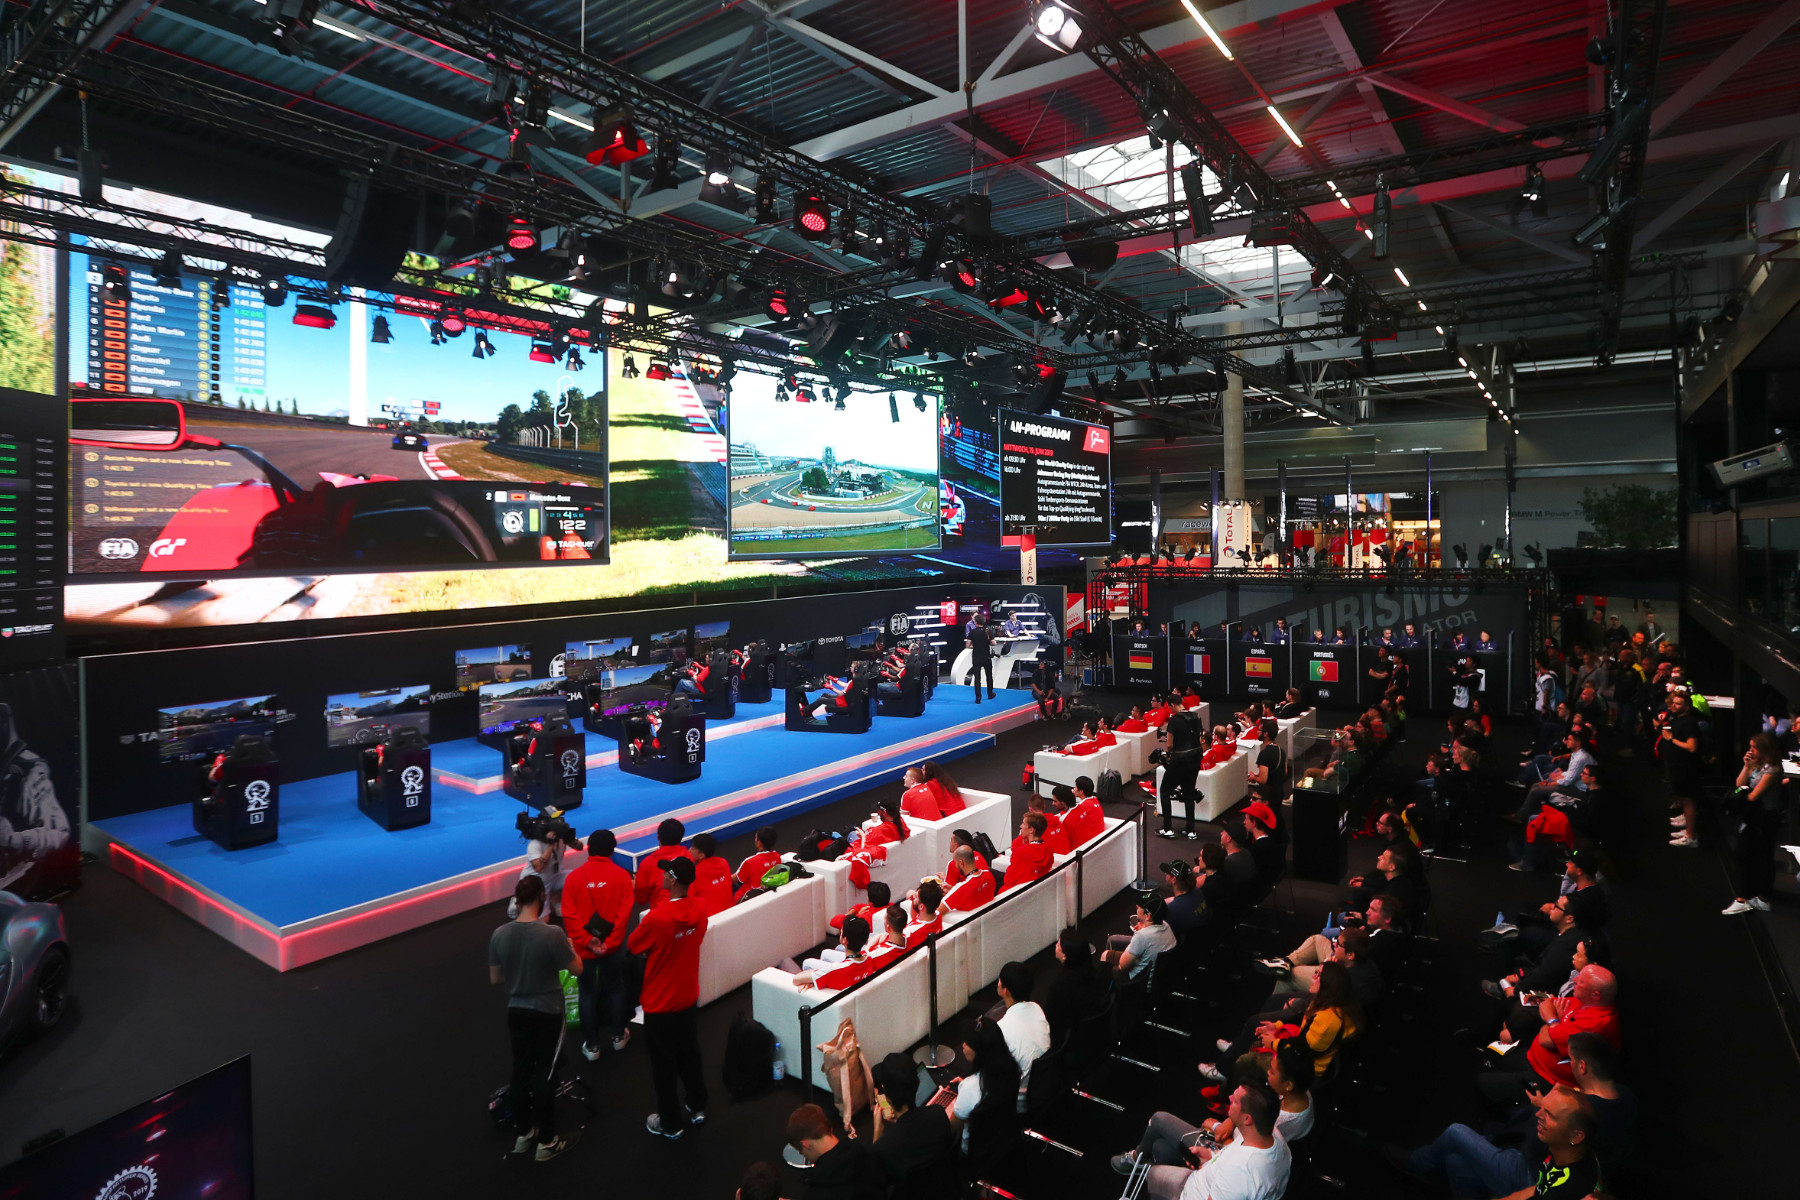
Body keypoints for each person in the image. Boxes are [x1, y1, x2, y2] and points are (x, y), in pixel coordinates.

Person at [488, 874, 581, 1162]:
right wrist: (570, 948)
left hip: (516, 1011)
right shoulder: (551, 934)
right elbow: (577, 969)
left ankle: (524, 1133)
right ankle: (547, 1141)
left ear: (517, 900)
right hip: (547, 1011)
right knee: (545, 1074)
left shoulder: (499, 934)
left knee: (521, 1071)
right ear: (542, 896)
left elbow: (495, 978)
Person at [1389, 1080, 1598, 1199]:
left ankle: (1416, 1163)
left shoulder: (1568, 1188)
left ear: (1576, 1136)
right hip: (1529, 1173)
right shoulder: (1566, 1151)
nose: (1538, 1115)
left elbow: (1539, 1190)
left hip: (1525, 1174)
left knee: (1456, 1132)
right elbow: (1537, 1188)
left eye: (1550, 1115)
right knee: (1456, 1163)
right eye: (1542, 1109)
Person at [628, 854, 710, 1138]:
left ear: (673, 881)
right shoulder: (700, 908)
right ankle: (697, 1106)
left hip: (660, 1003)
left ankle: (671, 1123)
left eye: (666, 874)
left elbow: (634, 944)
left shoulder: (657, 917)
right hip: (687, 997)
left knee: (663, 1065)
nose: (662, 876)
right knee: (690, 1054)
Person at [1111, 1083, 1291, 1200]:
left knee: (1152, 1173)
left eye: (1235, 1101)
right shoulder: (1272, 1136)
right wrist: (1211, 1156)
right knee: (1159, 1148)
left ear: (1247, 1119)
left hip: (1190, 1191)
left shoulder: (1239, 1173)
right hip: (1208, 1176)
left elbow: (1236, 1175)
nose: (1229, 1098)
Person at [561, 829, 634, 1059]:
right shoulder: (622, 877)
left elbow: (569, 916)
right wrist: (609, 943)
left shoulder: (573, 878)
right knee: (616, 988)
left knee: (586, 994)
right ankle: (618, 1037)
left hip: (584, 951)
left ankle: (592, 1047)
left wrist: (586, 942)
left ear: (589, 849)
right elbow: (623, 916)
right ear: (612, 850)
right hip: (613, 949)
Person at [869, 1052, 956, 1200]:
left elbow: (873, 1183)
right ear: (917, 1084)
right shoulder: (938, 1113)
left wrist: (878, 1131)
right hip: (944, 1190)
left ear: (886, 1096)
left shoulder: (883, 1147)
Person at [946, 1020, 1023, 1166]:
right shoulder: (1012, 1068)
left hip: (970, 1154)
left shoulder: (971, 1087)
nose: (963, 1045)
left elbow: (952, 1130)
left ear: (981, 1051)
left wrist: (951, 1107)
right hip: (1002, 1140)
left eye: (968, 1043)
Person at [1725, 732, 1783, 912]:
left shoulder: (1773, 770)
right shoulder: (1757, 766)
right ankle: (1752, 895)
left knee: (1756, 855)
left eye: (1754, 747)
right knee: (1749, 855)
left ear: (1764, 749)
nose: (1750, 750)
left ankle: (1753, 897)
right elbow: (1739, 784)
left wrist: (1741, 795)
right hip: (1754, 815)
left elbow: (1752, 795)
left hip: (1765, 817)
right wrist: (1747, 766)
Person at [786, 1103, 886, 1200]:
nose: (804, 1156)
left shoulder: (817, 1191)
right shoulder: (865, 1152)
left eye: (801, 1152)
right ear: (830, 1128)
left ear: (805, 1144)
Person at [994, 961, 1051, 1110]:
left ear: (1006, 991)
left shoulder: (1001, 1029)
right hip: (1047, 1087)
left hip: (1019, 1103)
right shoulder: (1037, 1008)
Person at [1044, 928, 1109, 1047]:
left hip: (1070, 1042)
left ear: (1065, 955)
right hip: (1095, 1035)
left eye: (1058, 944)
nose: (1056, 945)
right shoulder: (1095, 975)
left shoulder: (1059, 986)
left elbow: (1050, 1019)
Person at [1662, 688, 1704, 846]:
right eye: (1673, 703)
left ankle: (1691, 836)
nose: (1673, 706)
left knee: (1688, 800)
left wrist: (1671, 739)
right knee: (1682, 798)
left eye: (1678, 704)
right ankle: (1687, 828)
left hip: (1685, 768)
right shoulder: (1676, 718)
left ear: (1687, 707)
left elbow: (1692, 747)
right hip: (1675, 765)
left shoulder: (1689, 723)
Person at [1101, 894, 1177, 981]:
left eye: (1140, 906)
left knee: (1106, 955)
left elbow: (1123, 965)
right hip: (1159, 976)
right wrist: (1144, 928)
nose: (1137, 906)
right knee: (1114, 940)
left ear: (1147, 916)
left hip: (1140, 981)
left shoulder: (1141, 936)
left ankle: (1105, 984)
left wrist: (1138, 934)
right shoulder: (1166, 926)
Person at [508, 836, 569, 921]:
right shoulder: (535, 843)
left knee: (579, 879)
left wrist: (570, 838)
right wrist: (550, 845)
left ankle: (554, 900)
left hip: (556, 875)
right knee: (544, 920)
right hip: (537, 882)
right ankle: (518, 901)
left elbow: (579, 846)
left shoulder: (562, 838)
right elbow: (539, 868)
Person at [635, 817, 685, 909]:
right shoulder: (688, 856)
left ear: (658, 837)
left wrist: (637, 883)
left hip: (662, 913)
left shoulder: (648, 863)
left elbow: (641, 899)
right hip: (687, 909)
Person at [1000, 812, 1055, 890]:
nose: (1020, 826)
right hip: (1039, 889)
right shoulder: (1049, 849)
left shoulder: (1021, 852)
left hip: (1017, 891)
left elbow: (1008, 880)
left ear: (1031, 830)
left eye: (1023, 824)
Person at [688, 832, 733, 915]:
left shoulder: (694, 873)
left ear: (701, 855)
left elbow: (687, 899)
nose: (689, 850)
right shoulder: (723, 862)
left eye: (693, 848)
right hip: (730, 912)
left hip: (709, 918)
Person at [736, 824, 782, 893]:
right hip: (769, 891)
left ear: (759, 842)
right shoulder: (778, 857)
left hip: (750, 895)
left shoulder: (749, 861)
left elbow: (737, 879)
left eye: (756, 838)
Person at [968, 621, 995, 701]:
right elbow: (994, 643)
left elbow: (968, 645)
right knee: (989, 676)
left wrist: (976, 645)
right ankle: (990, 693)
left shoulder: (973, 632)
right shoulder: (988, 631)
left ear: (976, 622)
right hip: (986, 657)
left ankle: (978, 697)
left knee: (977, 678)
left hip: (976, 657)